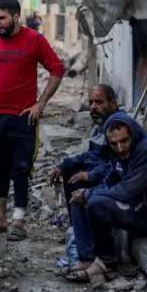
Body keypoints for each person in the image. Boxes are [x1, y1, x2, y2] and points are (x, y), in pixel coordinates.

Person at [0, 0, 65, 241]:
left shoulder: (34, 40)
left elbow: (57, 69)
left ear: (15, 17)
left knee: (21, 169)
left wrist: (40, 104)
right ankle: (0, 218)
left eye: (2, 18)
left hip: (23, 118)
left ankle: (19, 220)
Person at [62, 113, 147, 282]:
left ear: (133, 134)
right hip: (134, 205)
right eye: (114, 143)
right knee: (77, 200)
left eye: (124, 141)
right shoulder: (117, 153)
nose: (121, 148)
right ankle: (87, 258)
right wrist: (84, 194)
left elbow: (126, 191)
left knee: (96, 203)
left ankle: (106, 261)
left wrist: (89, 194)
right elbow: (110, 180)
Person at [49, 84, 123, 219]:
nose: (93, 107)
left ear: (112, 103)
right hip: (101, 172)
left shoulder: (118, 128)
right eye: (91, 102)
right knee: (70, 171)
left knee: (78, 180)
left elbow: (117, 166)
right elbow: (91, 155)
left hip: (114, 182)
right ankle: (76, 228)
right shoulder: (102, 125)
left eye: (99, 102)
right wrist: (64, 164)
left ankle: (86, 231)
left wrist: (89, 175)